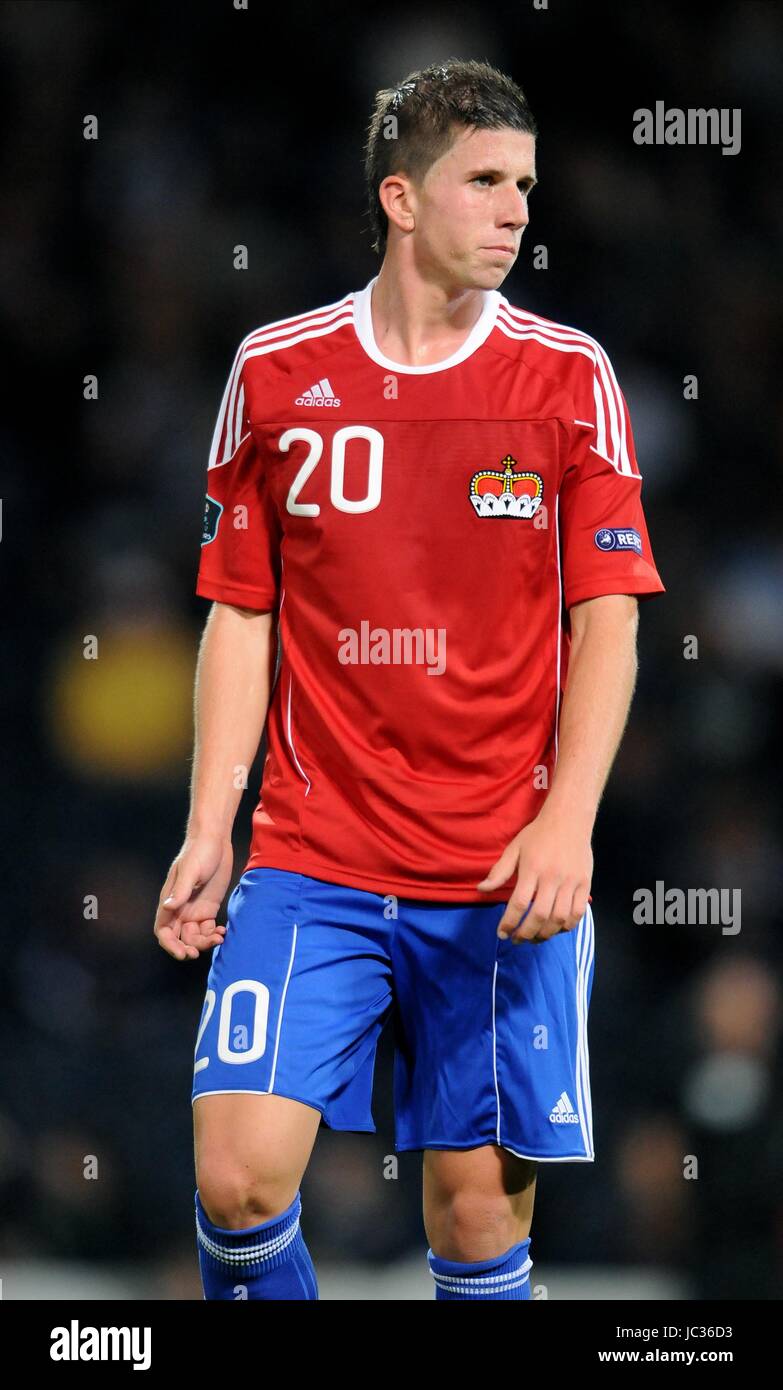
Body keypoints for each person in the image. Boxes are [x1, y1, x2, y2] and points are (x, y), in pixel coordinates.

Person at [153, 57, 665, 1301]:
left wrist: (569, 823)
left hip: (497, 867)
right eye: (484, 180)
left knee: (478, 1221)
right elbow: (239, 612)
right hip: (313, 855)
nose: (515, 210)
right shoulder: (276, 373)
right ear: (399, 195)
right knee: (236, 1178)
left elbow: (610, 626)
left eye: (526, 185)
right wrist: (210, 821)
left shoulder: (566, 379)